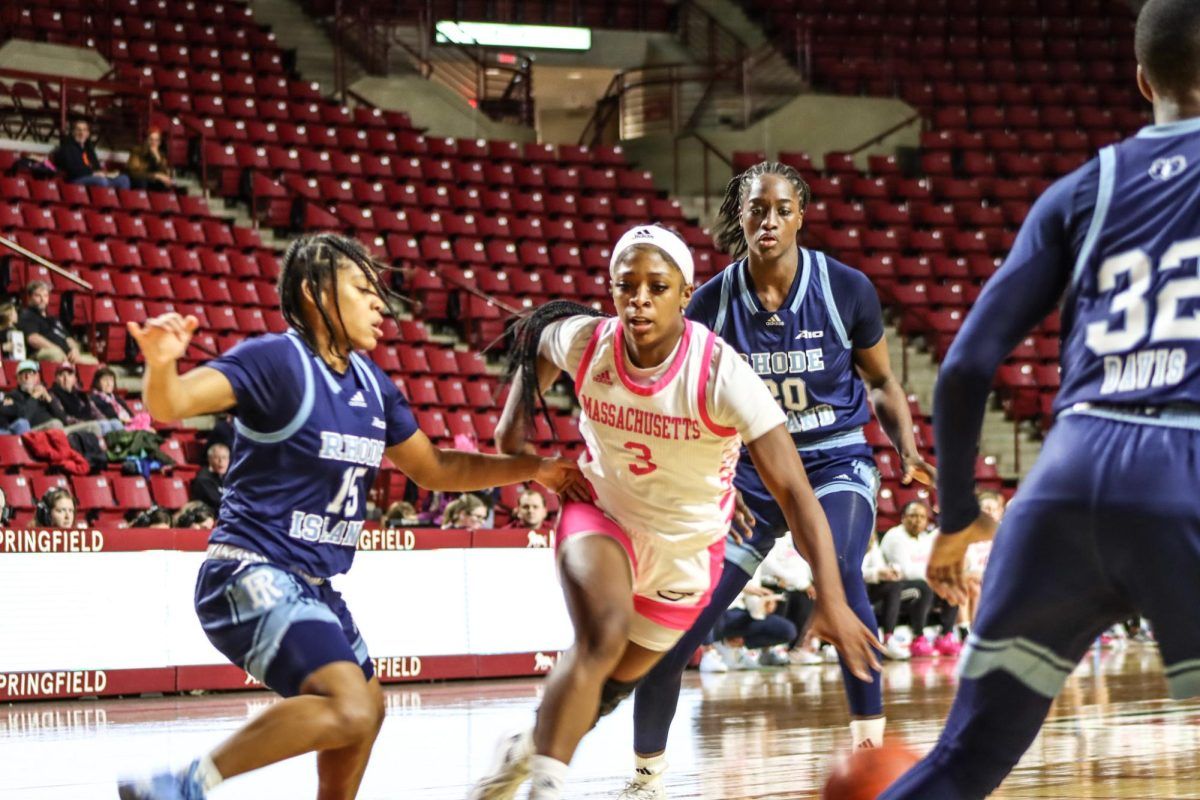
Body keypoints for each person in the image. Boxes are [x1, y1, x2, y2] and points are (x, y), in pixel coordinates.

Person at [116, 233, 579, 800]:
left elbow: (433, 469)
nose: (380, 304)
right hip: (248, 570)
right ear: (314, 293)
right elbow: (172, 404)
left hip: (312, 583)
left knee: (369, 711)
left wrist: (531, 467)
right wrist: (162, 365)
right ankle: (186, 783)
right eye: (362, 289)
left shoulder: (372, 386)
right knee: (348, 704)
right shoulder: (277, 361)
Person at [882, 2, 1200, 796]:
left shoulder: (1079, 188)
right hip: (1186, 471)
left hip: (1063, 481)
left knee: (962, 763)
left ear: (1139, 80)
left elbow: (961, 370)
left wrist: (957, 519)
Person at [469, 224, 880, 800]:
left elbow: (794, 493)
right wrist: (529, 455)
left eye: (656, 286)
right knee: (601, 636)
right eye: (625, 285)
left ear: (686, 293)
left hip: (688, 552)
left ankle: (522, 751)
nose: (639, 297)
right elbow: (536, 342)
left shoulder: (722, 374)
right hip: (603, 517)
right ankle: (546, 788)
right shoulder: (587, 341)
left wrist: (832, 598)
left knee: (605, 691)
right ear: (610, 292)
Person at [622, 161, 936, 797]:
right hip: (752, 478)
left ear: (801, 214)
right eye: (756, 209)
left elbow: (879, 381)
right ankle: (645, 780)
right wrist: (714, 478)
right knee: (676, 631)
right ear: (740, 216)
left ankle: (870, 753)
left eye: (781, 209)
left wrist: (906, 446)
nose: (769, 220)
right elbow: (685, 403)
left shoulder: (845, 288)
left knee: (841, 569)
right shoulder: (710, 301)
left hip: (833, 459)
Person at [878, 501, 960, 657]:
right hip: (895, 587)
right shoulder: (895, 536)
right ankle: (918, 637)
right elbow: (906, 571)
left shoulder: (925, 538)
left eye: (922, 517)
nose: (918, 520)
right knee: (924, 587)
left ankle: (946, 636)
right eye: (913, 516)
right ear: (903, 518)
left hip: (921, 582)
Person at [18, 281, 96, 364]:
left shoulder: (53, 319)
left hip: (66, 355)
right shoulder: (28, 315)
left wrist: (75, 350)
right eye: (37, 296)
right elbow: (33, 339)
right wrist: (57, 349)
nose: (42, 299)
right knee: (56, 355)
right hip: (41, 353)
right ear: (30, 298)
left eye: (45, 296)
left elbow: (68, 339)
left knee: (93, 361)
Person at [54, 118, 130, 189]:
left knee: (124, 179)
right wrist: (93, 173)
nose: (81, 133)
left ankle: (115, 202)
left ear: (88, 133)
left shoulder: (88, 147)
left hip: (93, 176)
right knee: (101, 181)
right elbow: (72, 171)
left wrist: (104, 173)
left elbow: (96, 166)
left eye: (84, 130)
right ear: (73, 132)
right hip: (76, 179)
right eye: (78, 130)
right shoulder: (67, 147)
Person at [50, 363, 122, 437]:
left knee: (115, 422)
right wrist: (86, 422)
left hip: (88, 423)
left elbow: (95, 411)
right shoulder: (53, 394)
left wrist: (104, 419)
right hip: (72, 426)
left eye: (69, 374)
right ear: (56, 378)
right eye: (61, 375)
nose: (66, 378)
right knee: (101, 425)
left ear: (74, 379)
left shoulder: (81, 395)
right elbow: (65, 418)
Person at [190, 442, 229, 511]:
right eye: (217, 458)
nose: (221, 461)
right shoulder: (204, 479)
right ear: (209, 459)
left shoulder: (225, 476)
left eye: (224, 458)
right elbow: (218, 502)